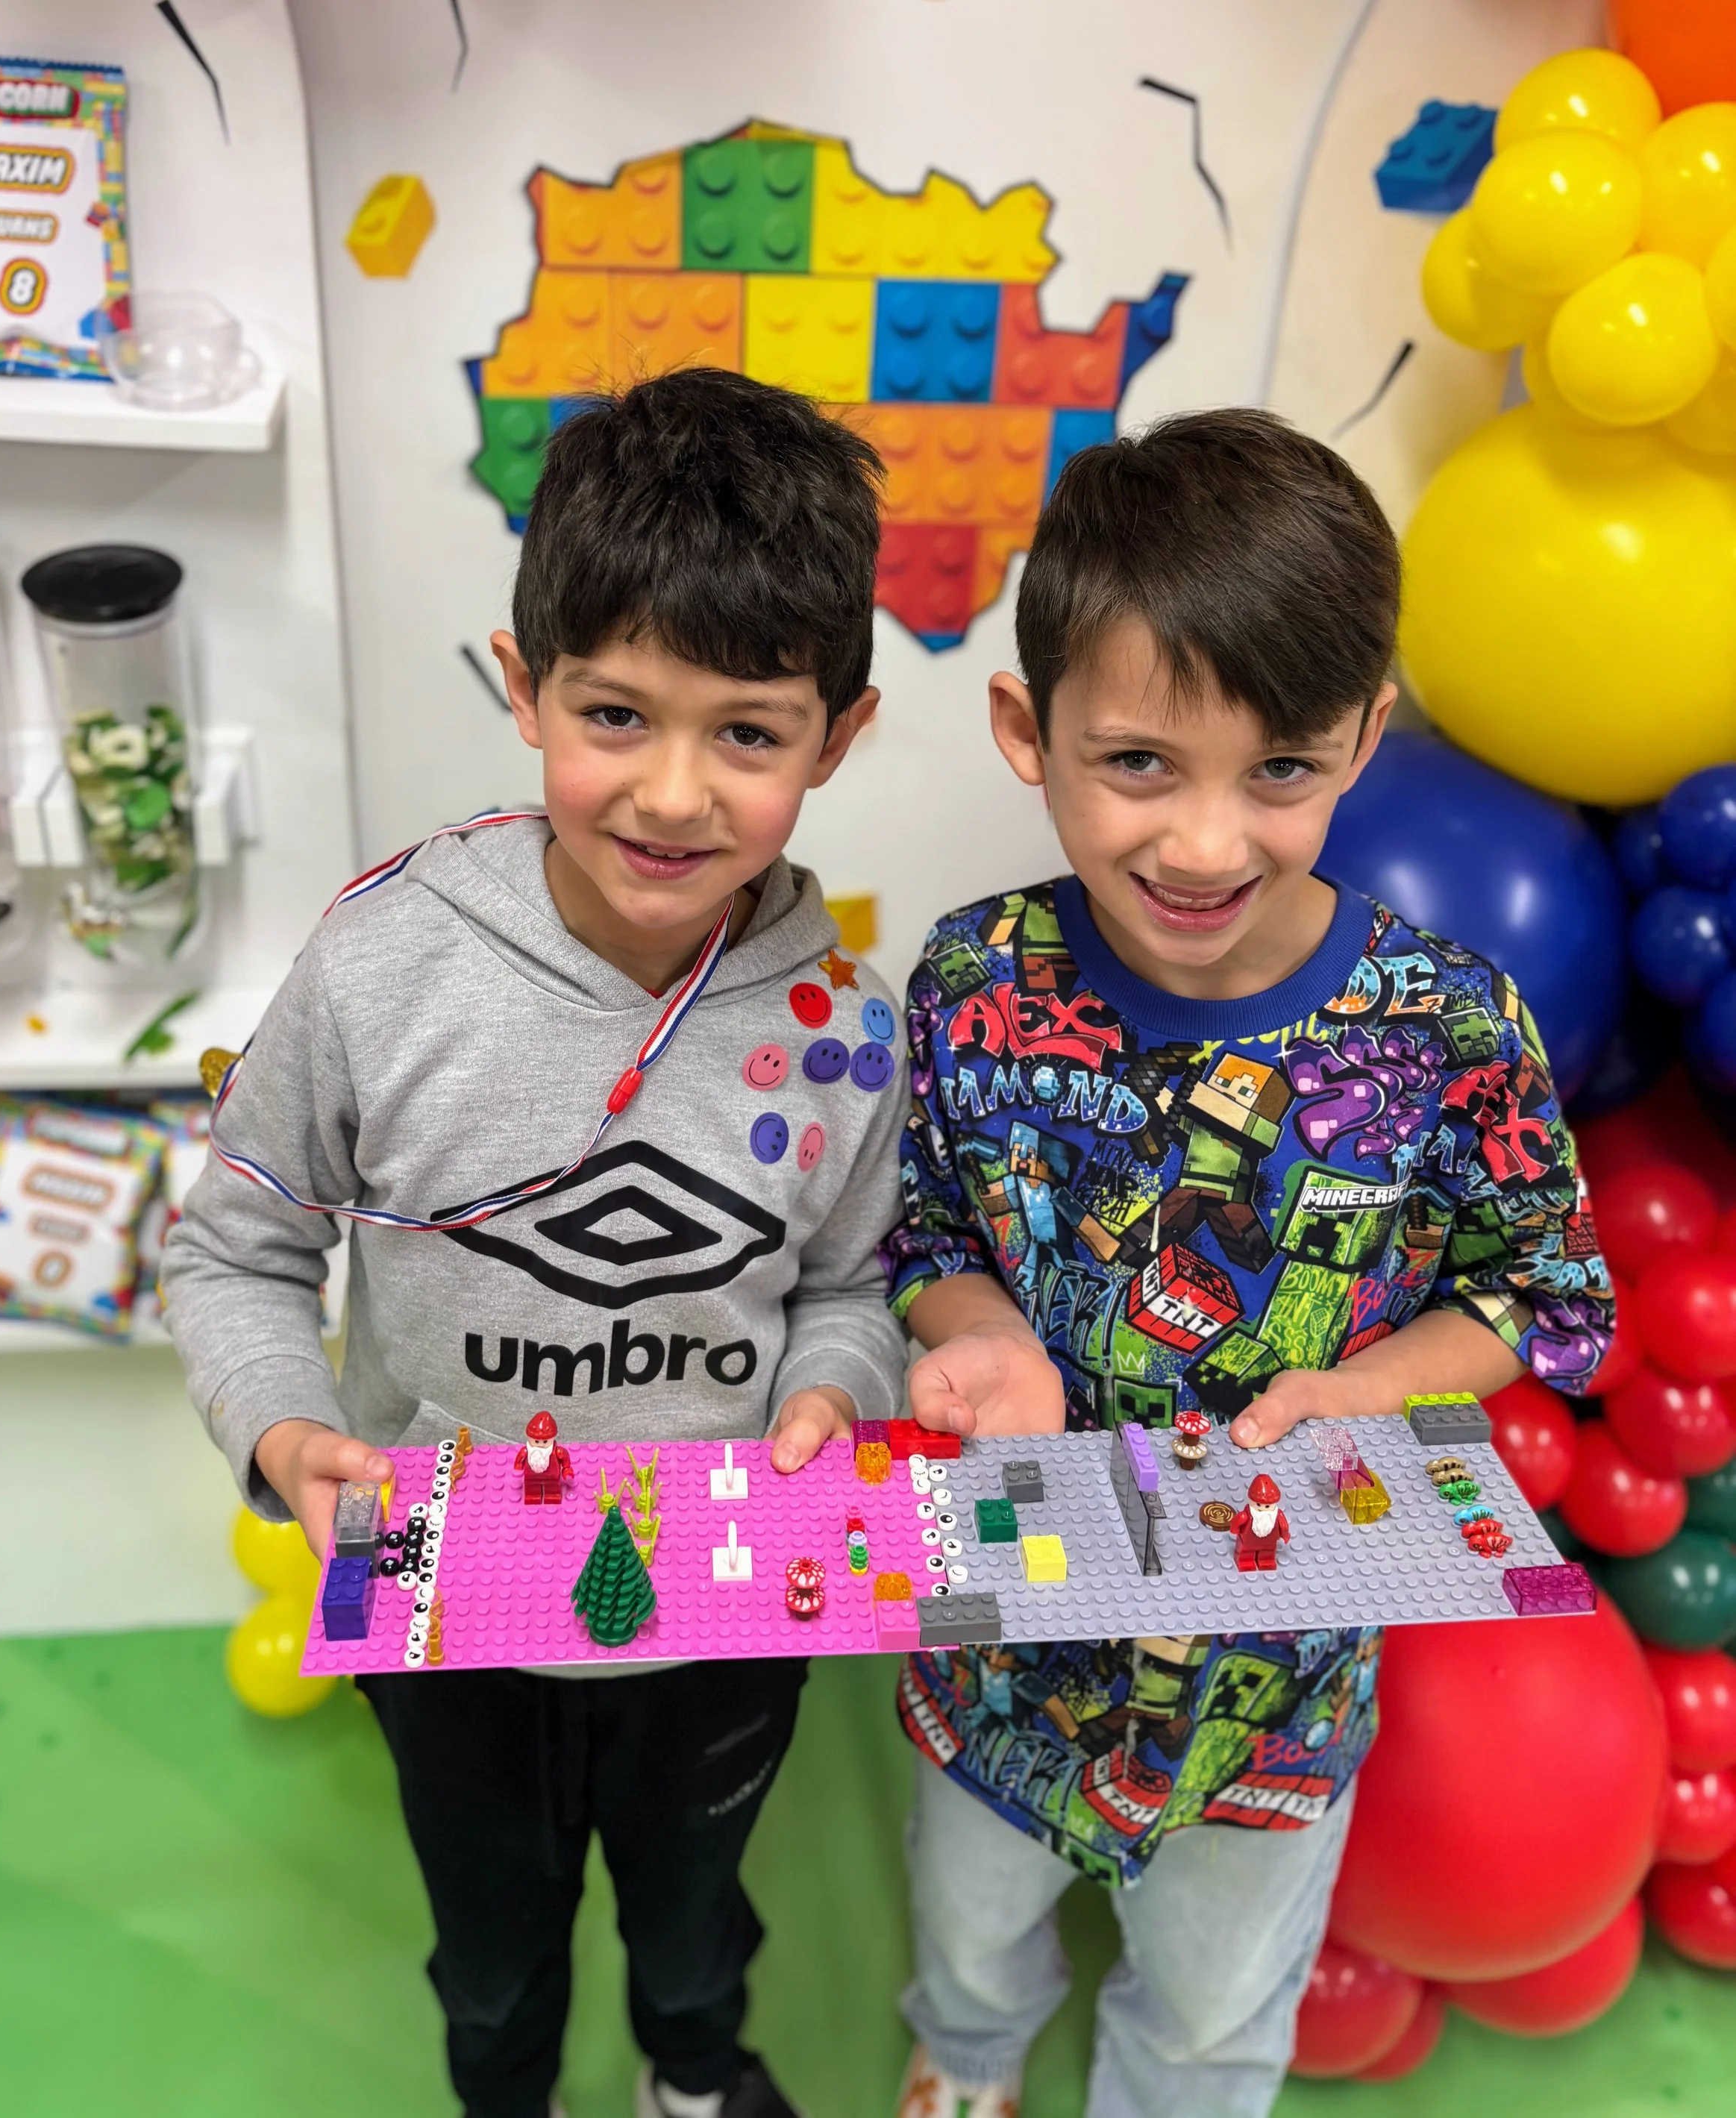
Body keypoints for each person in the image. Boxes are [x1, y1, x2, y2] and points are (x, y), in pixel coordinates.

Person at [163, 369, 909, 2118]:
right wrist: (286, 1439)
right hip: (438, 1598)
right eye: (614, 715)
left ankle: (692, 2073)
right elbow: (236, 1254)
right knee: (492, 1943)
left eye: (748, 734)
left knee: (692, 1919)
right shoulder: (376, 967)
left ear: (837, 736)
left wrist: (834, 1389)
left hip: (722, 1602)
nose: (671, 793)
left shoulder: (848, 1027)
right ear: (523, 685)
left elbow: (848, 1286)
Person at [880, 410, 1614, 2118]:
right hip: (1000, 1657)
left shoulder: (1447, 1025)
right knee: (968, 1938)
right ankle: (966, 2063)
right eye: (1138, 764)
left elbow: (1539, 1292)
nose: (1205, 845)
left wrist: (1370, 1387)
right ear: (1025, 731)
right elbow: (920, 1230)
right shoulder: (969, 983)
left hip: (1270, 1680)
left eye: (1278, 769)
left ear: (1362, 737)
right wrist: (978, 1329)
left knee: (1213, 2012)